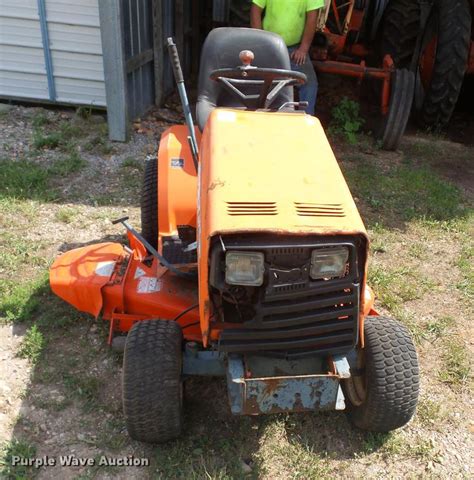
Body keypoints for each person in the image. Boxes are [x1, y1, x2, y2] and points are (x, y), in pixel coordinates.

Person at [250, 0, 324, 115]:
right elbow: (255, 9)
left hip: (294, 50)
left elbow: (312, 18)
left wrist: (303, 49)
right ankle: (253, 115)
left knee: (309, 83)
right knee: (257, 79)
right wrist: (261, 42)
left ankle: (305, 121)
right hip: (268, 45)